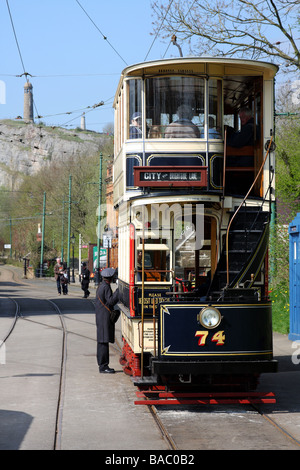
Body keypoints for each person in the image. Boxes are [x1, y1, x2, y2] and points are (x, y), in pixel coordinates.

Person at [95, 267, 119, 374]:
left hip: (100, 317)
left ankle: (102, 365)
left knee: (102, 342)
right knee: (104, 342)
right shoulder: (106, 287)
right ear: (110, 277)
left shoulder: (101, 286)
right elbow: (110, 301)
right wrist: (118, 293)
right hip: (104, 318)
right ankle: (104, 366)